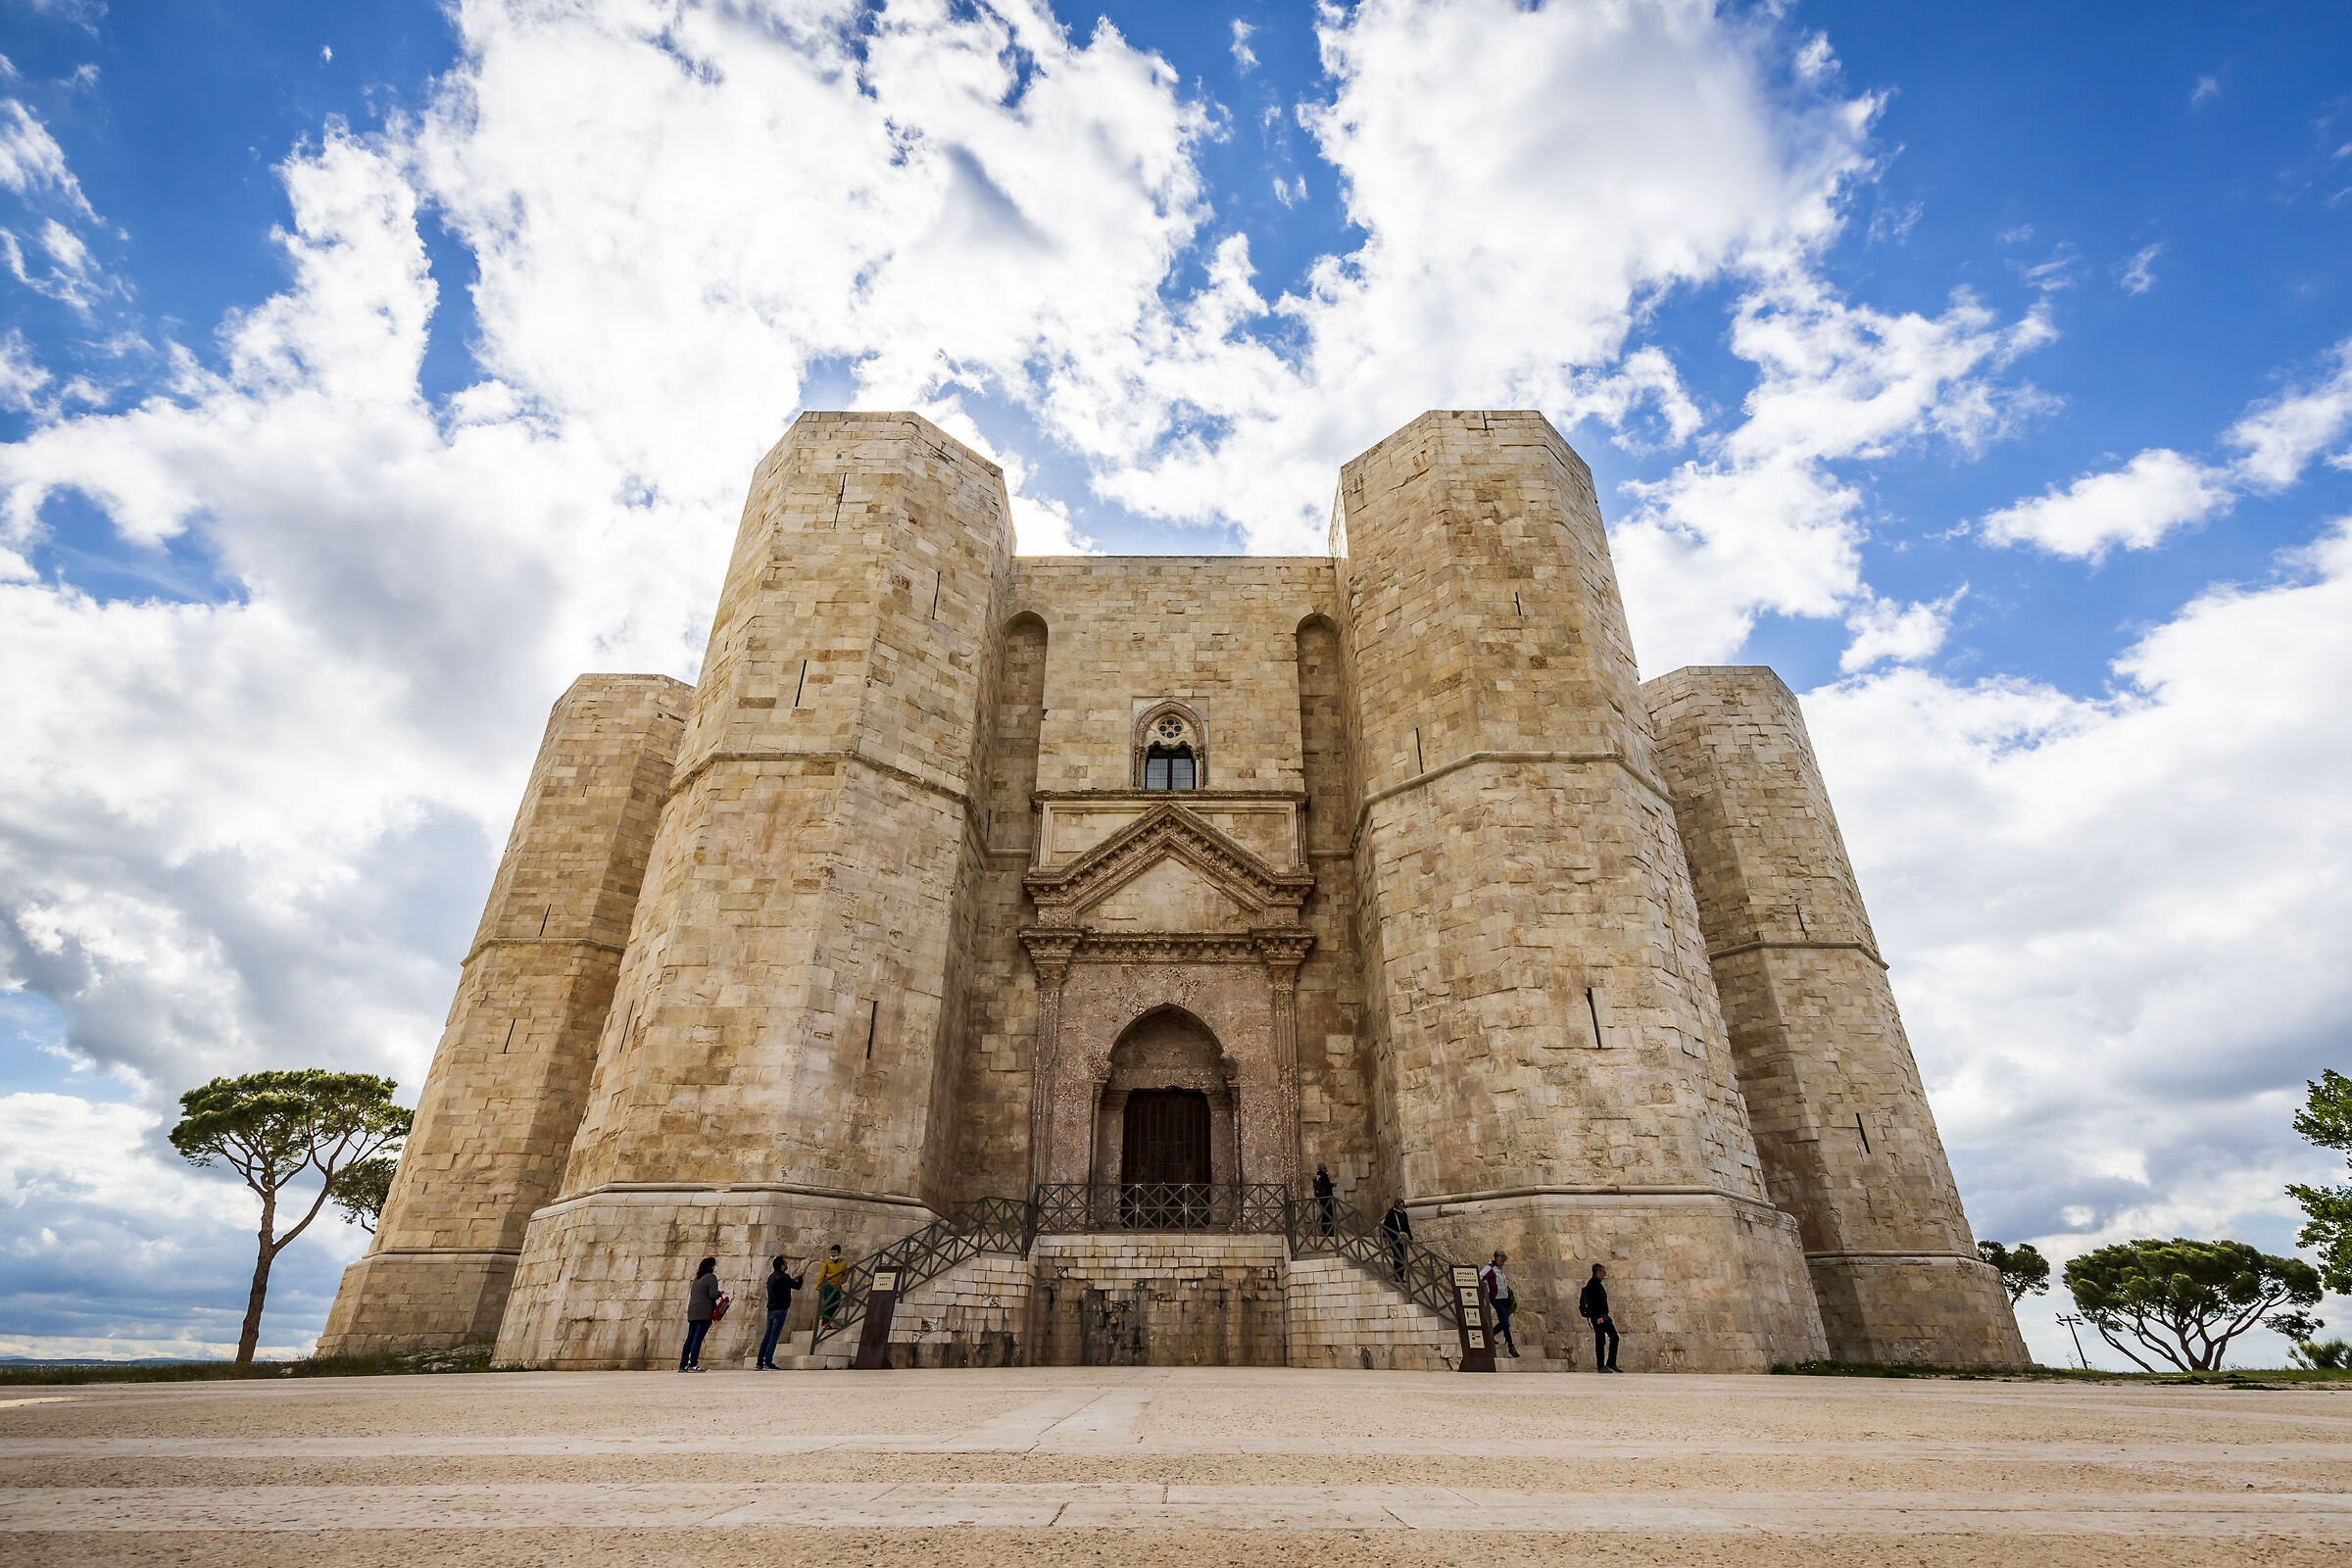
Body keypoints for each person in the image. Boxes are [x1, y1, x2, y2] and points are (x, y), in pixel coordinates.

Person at [757, 1255, 805, 1370]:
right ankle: (768, 1362)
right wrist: (801, 1277)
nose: (787, 1265)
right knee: (774, 1337)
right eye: (785, 1263)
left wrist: (793, 1279)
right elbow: (797, 1286)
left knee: (767, 1336)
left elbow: (784, 1284)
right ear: (782, 1265)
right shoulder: (784, 1277)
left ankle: (759, 1362)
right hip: (781, 1310)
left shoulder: (772, 1277)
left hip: (771, 1310)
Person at [679, 1256, 723, 1373]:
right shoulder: (711, 1277)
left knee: (690, 1338)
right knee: (698, 1339)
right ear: (711, 1266)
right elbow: (713, 1294)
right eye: (714, 1265)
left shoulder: (696, 1279)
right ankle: (693, 1364)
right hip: (704, 1312)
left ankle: (683, 1364)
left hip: (693, 1311)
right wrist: (720, 1293)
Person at [1581, 1261, 1621, 1372]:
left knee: (1614, 1337)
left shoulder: (1597, 1284)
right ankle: (1601, 1365)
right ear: (1598, 1272)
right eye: (1603, 1272)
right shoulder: (1592, 1285)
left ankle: (1610, 1363)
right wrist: (1598, 1316)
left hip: (1603, 1316)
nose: (1605, 1274)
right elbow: (1592, 1303)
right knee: (1600, 1340)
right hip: (1598, 1317)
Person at [1480, 1250, 1519, 1358]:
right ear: (1497, 1259)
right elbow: (1479, 1277)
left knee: (1504, 1322)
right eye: (1503, 1260)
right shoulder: (1490, 1268)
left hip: (1505, 1299)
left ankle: (1490, 1334)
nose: (1504, 1263)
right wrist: (1484, 1290)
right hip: (1497, 1299)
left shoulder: (1500, 1269)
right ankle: (1511, 1346)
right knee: (1505, 1323)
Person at [815, 1244, 849, 1332]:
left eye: (835, 1252)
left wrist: (842, 1281)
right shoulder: (827, 1263)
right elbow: (821, 1276)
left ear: (839, 1253)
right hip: (828, 1286)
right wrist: (819, 1287)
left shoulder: (843, 1263)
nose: (833, 1254)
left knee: (836, 1303)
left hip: (837, 1286)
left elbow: (845, 1274)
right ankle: (825, 1322)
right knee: (827, 1303)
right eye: (832, 1252)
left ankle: (828, 1321)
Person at [1380, 1198, 1411, 1279]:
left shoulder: (1404, 1213)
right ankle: (1397, 1276)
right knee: (1398, 1256)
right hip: (1394, 1238)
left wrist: (1410, 1238)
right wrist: (1385, 1236)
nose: (1401, 1208)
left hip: (1403, 1238)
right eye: (1400, 1206)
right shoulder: (1391, 1213)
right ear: (1397, 1205)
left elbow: (1407, 1226)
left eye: (1402, 1206)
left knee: (1403, 1258)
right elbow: (1385, 1225)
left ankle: (1400, 1276)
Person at [1312, 1163, 1336, 1235]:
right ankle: (1330, 1233)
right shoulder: (1324, 1176)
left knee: (1324, 1215)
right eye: (1325, 1167)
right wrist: (1332, 1185)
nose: (1327, 1168)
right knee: (1329, 1215)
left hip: (1321, 1198)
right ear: (1323, 1168)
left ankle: (1324, 1231)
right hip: (1326, 1197)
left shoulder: (1316, 1176)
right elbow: (1326, 1186)